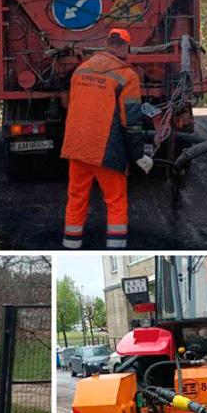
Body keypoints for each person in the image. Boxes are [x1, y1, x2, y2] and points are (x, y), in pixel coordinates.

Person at [60, 28, 152, 250]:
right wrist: (138, 155)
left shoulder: (80, 70)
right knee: (115, 201)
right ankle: (116, 247)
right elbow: (131, 122)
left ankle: (71, 245)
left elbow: (74, 106)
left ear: (107, 43)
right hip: (106, 150)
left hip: (77, 147)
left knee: (76, 197)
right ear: (126, 48)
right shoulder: (127, 76)